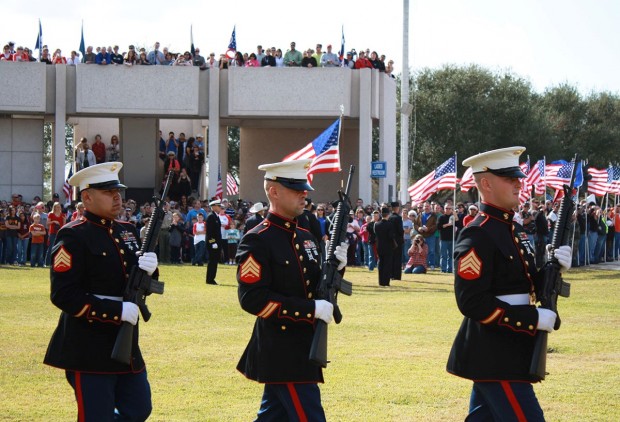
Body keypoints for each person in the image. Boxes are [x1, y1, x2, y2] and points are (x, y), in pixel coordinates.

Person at [446, 146, 572, 421]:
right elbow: (472, 302)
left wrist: (552, 269)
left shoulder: (511, 228)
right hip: (496, 353)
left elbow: (521, 282)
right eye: (509, 178)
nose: (519, 183)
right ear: (487, 184)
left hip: (506, 352)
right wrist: (531, 318)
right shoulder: (477, 234)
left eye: (518, 176)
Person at [43, 162, 159, 421]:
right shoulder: (73, 236)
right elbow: (63, 294)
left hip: (126, 347)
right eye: (108, 192)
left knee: (139, 409)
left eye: (118, 191)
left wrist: (151, 271)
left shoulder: (127, 231)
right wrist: (115, 311)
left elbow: (137, 280)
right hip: (89, 347)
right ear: (87, 197)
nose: (117, 197)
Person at [236, 159, 347, 421]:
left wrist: (337, 269)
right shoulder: (257, 239)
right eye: (296, 188)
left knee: (272, 417)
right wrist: (310, 310)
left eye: (304, 188)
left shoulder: (305, 237)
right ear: (274, 191)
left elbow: (317, 286)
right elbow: (253, 299)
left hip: (302, 347)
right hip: (282, 349)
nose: (304, 193)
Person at [374, 206, 396, 286]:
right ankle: (386, 282)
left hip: (379, 246)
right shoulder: (390, 224)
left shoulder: (376, 224)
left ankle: (381, 281)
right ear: (388, 215)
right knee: (387, 264)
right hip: (388, 247)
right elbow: (390, 236)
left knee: (381, 264)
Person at [205, 199, 222, 285]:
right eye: (218, 206)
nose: (220, 208)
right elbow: (209, 232)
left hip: (217, 243)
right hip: (212, 244)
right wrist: (212, 242)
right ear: (214, 207)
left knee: (215, 261)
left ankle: (212, 278)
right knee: (212, 261)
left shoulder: (216, 216)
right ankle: (209, 279)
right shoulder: (211, 217)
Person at [388, 201, 404, 280]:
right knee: (397, 258)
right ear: (397, 208)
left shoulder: (389, 217)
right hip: (398, 240)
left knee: (391, 258)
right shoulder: (398, 218)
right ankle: (396, 275)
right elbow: (400, 230)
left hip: (390, 240)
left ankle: (390, 274)